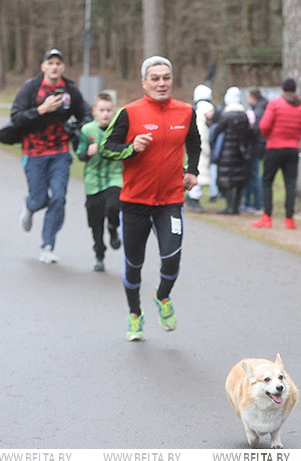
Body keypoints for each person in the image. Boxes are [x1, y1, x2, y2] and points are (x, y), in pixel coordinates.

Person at [100, 56, 200, 342]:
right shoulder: (128, 113)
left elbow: (194, 141)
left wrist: (192, 170)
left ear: (172, 80)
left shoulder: (185, 111)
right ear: (144, 82)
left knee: (172, 256)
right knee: (134, 263)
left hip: (170, 200)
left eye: (166, 77)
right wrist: (131, 148)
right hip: (134, 203)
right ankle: (135, 315)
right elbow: (107, 148)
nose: (161, 83)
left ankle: (162, 296)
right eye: (155, 78)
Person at [10, 48, 91, 264]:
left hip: (60, 153)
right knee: (40, 198)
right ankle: (31, 205)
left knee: (58, 198)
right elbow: (16, 117)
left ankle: (47, 245)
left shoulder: (70, 90)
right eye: (50, 63)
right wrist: (41, 110)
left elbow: (86, 115)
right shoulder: (32, 88)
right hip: (33, 152)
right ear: (43, 66)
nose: (54, 67)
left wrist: (76, 126)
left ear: (63, 67)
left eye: (58, 63)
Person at [251, 77, 301, 230]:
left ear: (283, 89)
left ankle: (267, 217)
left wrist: (269, 136)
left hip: (274, 148)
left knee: (267, 181)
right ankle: (289, 219)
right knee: (290, 184)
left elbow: (264, 126)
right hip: (293, 149)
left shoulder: (275, 104)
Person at [75, 92, 122, 272]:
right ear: (95, 111)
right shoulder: (87, 130)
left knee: (113, 206)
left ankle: (113, 229)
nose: (105, 114)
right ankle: (99, 253)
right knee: (95, 224)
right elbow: (79, 154)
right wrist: (87, 152)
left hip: (115, 177)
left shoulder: (120, 129)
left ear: (114, 111)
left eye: (109, 110)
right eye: (102, 110)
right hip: (93, 181)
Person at [211, 86, 252, 214]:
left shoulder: (226, 115)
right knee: (239, 179)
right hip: (240, 152)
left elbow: (216, 131)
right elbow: (248, 134)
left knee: (227, 179)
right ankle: (236, 207)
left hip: (227, 153)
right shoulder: (244, 115)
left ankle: (229, 206)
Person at [184, 83, 213, 213]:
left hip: (196, 143)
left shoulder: (195, 108)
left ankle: (191, 195)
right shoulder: (206, 107)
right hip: (203, 143)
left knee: (193, 167)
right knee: (198, 170)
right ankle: (193, 197)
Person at [243, 89, 268, 213]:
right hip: (260, 146)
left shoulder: (257, 112)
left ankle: (258, 203)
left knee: (254, 174)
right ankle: (252, 201)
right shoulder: (264, 109)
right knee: (254, 174)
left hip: (255, 147)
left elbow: (255, 130)